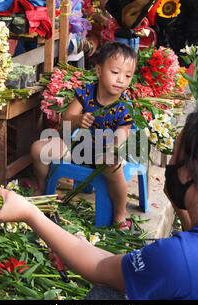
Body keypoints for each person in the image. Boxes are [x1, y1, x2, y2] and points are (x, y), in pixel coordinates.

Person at [0, 107, 198, 299]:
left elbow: (99, 269)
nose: (169, 166)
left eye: (174, 157)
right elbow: (112, 263)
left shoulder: (180, 256)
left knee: (102, 299)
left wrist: (30, 213)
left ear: (191, 170)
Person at [29, 41, 137, 229]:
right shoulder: (86, 93)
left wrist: (112, 150)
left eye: (127, 76)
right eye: (115, 72)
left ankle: (120, 214)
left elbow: (122, 132)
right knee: (38, 148)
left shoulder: (123, 105)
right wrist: (78, 120)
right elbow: (66, 120)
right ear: (98, 71)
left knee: (114, 167)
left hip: (105, 153)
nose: (121, 80)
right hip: (78, 147)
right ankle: (42, 189)